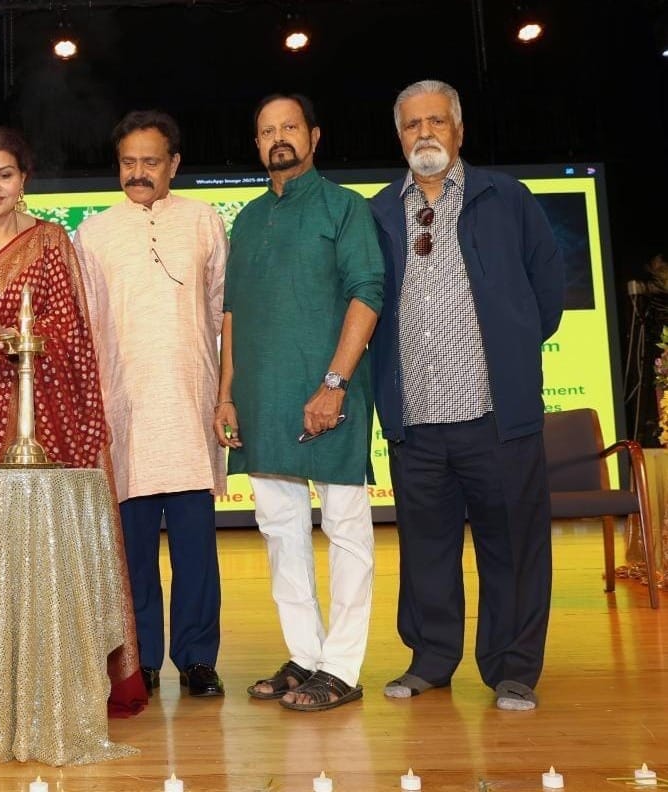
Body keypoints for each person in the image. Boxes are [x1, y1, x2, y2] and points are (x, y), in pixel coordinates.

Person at [0, 126, 145, 750]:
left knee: (44, 560)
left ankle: (55, 695)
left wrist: (20, 342)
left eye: (4, 174)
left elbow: (72, 341)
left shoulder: (49, 242)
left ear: (24, 180)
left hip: (45, 425)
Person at [369, 79, 562, 711]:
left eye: (436, 121)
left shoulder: (505, 197)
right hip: (416, 422)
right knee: (426, 552)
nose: (424, 133)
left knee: (512, 548)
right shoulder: (378, 211)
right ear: (399, 136)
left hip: (494, 417)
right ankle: (431, 660)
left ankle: (513, 669)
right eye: (411, 124)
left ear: (459, 129)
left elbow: (547, 290)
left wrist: (511, 345)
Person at [215, 94, 383, 712]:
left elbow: (367, 293)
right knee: (280, 531)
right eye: (267, 131)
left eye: (290, 127)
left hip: (329, 394)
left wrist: (334, 384)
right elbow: (232, 314)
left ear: (314, 136)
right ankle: (306, 656)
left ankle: (341, 666)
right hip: (261, 397)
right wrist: (226, 394)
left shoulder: (345, 207)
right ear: (257, 144)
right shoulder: (248, 220)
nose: (278, 138)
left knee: (345, 529)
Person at [73, 110, 228, 699]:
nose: (138, 173)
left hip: (190, 407)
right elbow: (86, 328)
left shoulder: (204, 221)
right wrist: (94, 413)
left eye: (151, 162)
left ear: (174, 164)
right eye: (128, 163)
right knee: (132, 555)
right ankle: (140, 662)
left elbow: (223, 315)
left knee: (196, 553)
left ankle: (197, 659)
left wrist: (224, 394)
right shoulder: (94, 233)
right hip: (125, 414)